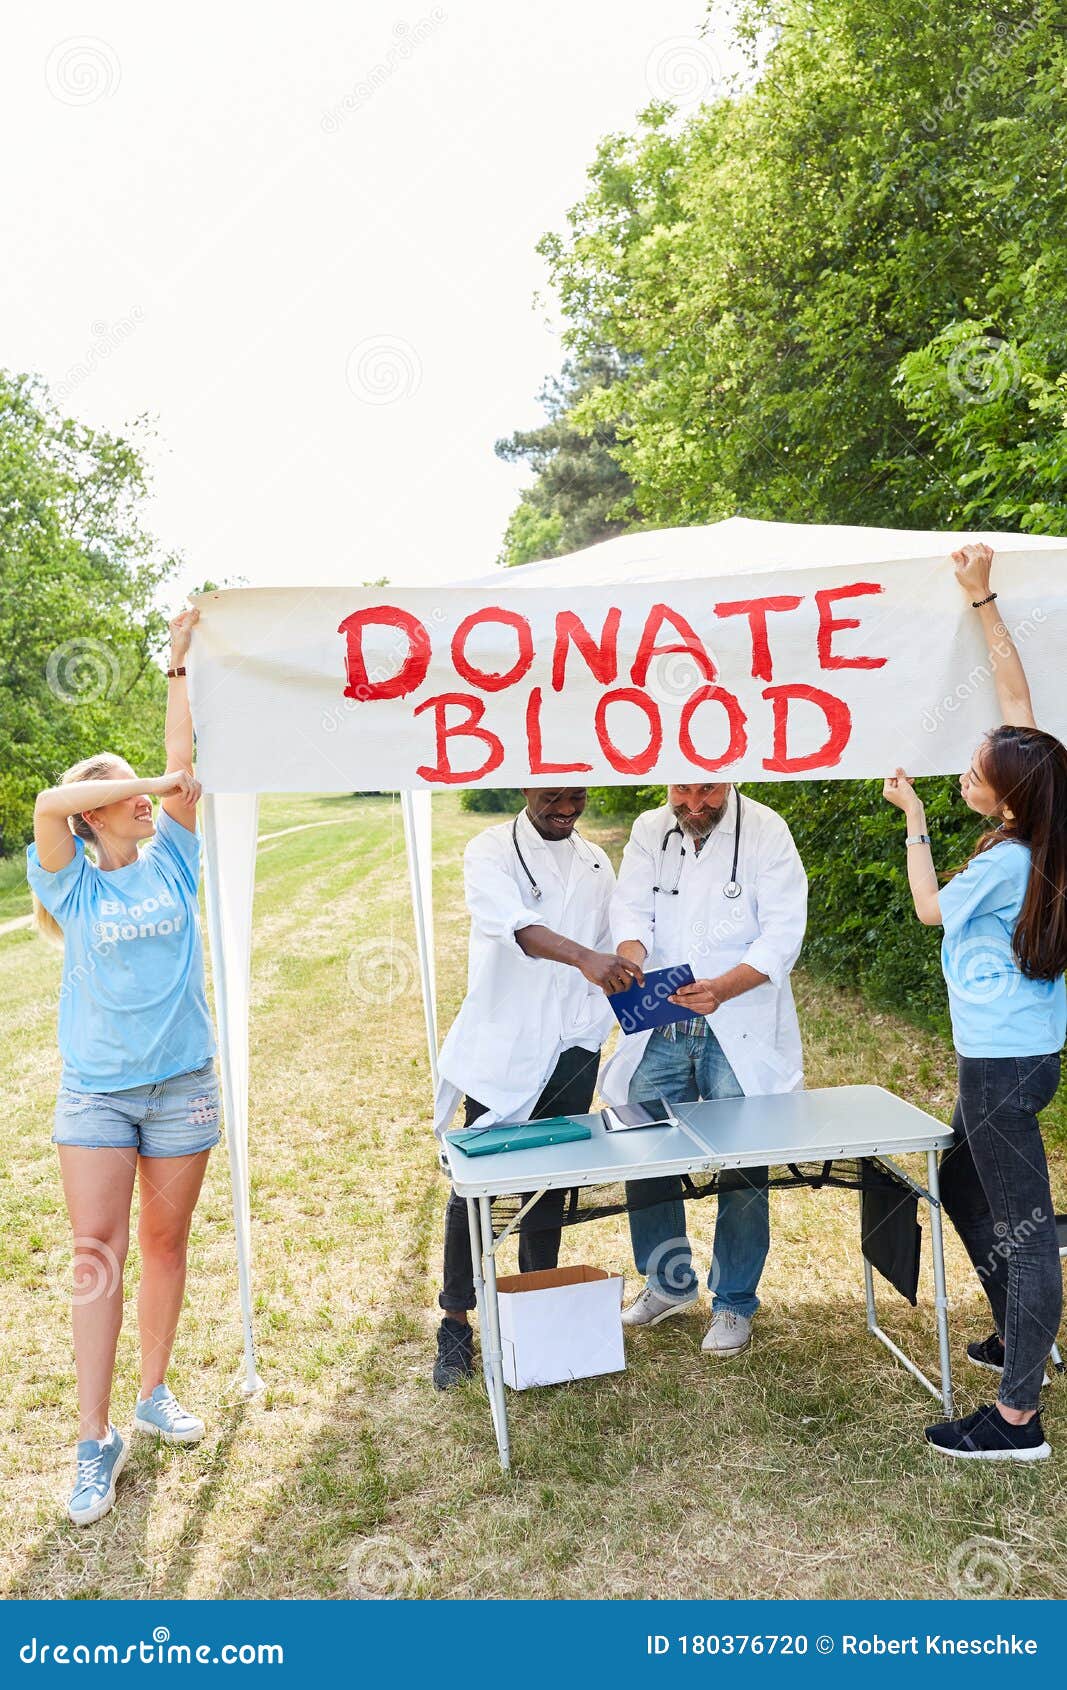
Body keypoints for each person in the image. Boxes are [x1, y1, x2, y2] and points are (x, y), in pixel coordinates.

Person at [28, 609, 220, 1524]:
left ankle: (152, 1393)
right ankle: (93, 1438)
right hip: (98, 1092)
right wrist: (132, 778)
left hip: (182, 1085)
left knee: (163, 1244)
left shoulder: (173, 862)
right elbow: (46, 807)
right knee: (95, 1254)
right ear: (96, 810)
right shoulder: (69, 876)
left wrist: (177, 664)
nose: (148, 801)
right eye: (126, 795)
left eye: (147, 795)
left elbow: (183, 761)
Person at [883, 543, 1067, 1462]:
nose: (966, 765)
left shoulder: (1000, 863)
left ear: (1004, 795)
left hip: (999, 1066)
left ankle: (1016, 1418)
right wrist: (981, 601)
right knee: (962, 1181)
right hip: (1016, 1056)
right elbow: (1020, 710)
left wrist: (914, 821)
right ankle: (1019, 1331)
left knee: (1028, 1232)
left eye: (974, 766)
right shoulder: (1048, 824)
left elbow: (925, 911)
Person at [431, 786, 641, 1389]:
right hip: (508, 1042)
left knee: (551, 1180)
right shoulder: (489, 850)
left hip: (573, 1044)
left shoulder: (596, 862)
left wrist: (629, 965)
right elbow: (519, 930)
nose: (566, 808)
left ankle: (534, 1301)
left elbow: (620, 933)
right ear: (525, 786)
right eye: (552, 796)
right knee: (477, 1184)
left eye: (576, 796)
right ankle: (455, 1321)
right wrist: (586, 959)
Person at [602, 781, 807, 1355]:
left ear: (731, 777)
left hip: (735, 1022)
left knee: (741, 1160)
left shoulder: (766, 830)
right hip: (662, 1024)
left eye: (708, 793)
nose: (694, 805)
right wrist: (632, 961)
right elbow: (631, 908)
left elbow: (784, 932)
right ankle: (668, 1283)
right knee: (643, 1147)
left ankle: (735, 1301)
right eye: (682, 792)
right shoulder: (649, 828)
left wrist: (723, 988)